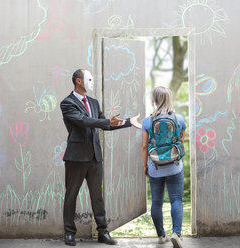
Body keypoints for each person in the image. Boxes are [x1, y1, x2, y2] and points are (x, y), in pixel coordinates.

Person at [60, 69, 141, 246]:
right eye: (89, 79)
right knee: (71, 195)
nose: (92, 81)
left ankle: (103, 233)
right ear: (78, 81)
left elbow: (106, 124)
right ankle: (69, 233)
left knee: (97, 197)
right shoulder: (67, 103)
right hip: (76, 158)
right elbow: (83, 121)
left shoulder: (94, 103)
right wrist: (105, 122)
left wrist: (128, 122)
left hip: (95, 157)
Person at [141, 86, 186, 248]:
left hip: (156, 167)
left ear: (154, 101)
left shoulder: (148, 121)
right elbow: (180, 142)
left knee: (157, 202)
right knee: (176, 200)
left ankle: (161, 235)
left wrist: (145, 166)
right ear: (169, 99)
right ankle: (177, 233)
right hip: (175, 166)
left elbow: (144, 147)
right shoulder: (179, 119)